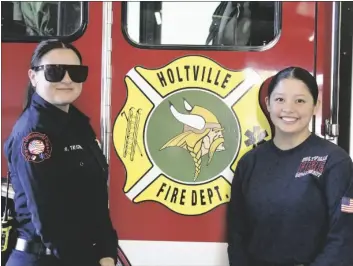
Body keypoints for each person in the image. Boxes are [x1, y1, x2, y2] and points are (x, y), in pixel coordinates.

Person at [4, 39, 118, 266]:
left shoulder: (78, 126)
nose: (67, 79)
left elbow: (96, 198)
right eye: (54, 71)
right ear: (33, 76)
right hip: (44, 259)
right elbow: (48, 220)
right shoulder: (33, 135)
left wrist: (107, 251)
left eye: (76, 72)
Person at [227, 66, 353, 266]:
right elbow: (237, 236)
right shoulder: (250, 162)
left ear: (316, 106)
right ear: (268, 104)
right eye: (280, 99)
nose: (288, 109)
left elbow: (344, 238)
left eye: (300, 101)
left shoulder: (334, 161)